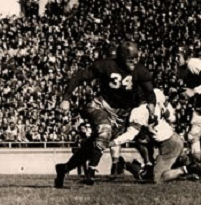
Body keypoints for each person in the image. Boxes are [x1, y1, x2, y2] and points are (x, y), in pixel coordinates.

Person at [55, 41, 156, 188]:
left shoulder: (140, 70)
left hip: (120, 115)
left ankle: (63, 169)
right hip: (100, 106)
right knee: (104, 131)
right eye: (130, 60)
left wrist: (151, 104)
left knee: (94, 145)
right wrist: (66, 98)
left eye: (136, 59)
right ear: (121, 58)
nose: (134, 62)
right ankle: (91, 172)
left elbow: (149, 91)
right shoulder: (107, 65)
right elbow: (79, 77)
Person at [110, 88, 201, 183]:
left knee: (158, 178)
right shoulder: (156, 94)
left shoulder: (137, 112)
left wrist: (112, 142)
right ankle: (196, 172)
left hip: (168, 144)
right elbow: (169, 111)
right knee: (180, 162)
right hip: (174, 136)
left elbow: (130, 135)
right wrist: (170, 115)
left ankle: (188, 169)